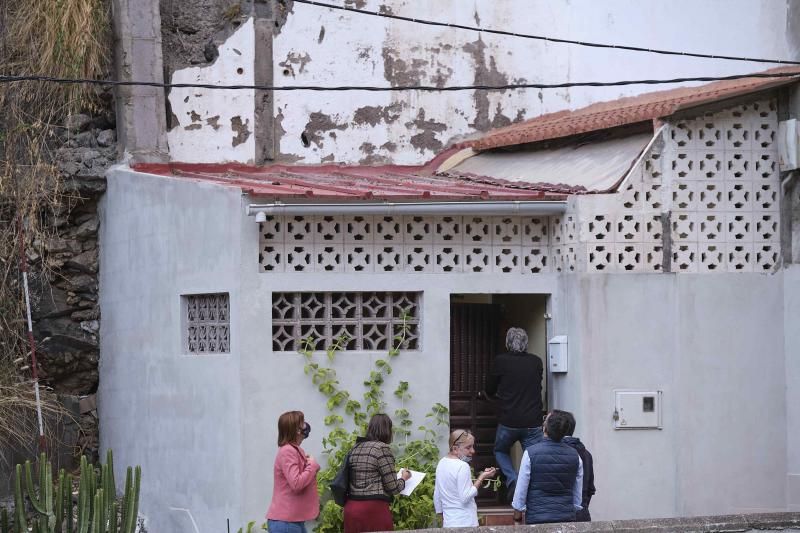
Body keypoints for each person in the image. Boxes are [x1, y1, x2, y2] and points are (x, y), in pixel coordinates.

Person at [485, 327, 544, 496]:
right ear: (526, 344)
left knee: (500, 450)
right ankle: (531, 490)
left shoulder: (501, 361)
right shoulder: (536, 361)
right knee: (533, 457)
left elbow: (489, 388)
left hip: (508, 420)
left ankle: (513, 480)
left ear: (507, 343)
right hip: (533, 421)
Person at [511, 410, 583, 525]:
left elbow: (521, 490)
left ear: (545, 428)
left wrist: (517, 518)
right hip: (566, 518)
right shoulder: (576, 456)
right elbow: (577, 496)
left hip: (537, 518)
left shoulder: (530, 453)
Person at [343, 413, 411, 533]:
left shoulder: (355, 448)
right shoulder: (382, 448)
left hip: (351, 509)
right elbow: (392, 488)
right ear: (387, 430)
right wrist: (403, 478)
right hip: (373, 510)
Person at [266, 411, 320, 533]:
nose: (305, 426)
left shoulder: (292, 450)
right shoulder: (288, 451)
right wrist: (312, 465)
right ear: (296, 430)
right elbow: (296, 484)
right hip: (286, 523)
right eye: (302, 423)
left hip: (292, 521)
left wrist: (309, 465)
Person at [433, 429, 497, 527]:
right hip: (465, 522)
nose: (473, 451)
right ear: (455, 449)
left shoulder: (441, 463)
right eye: (468, 447)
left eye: (472, 446)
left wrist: (442, 519)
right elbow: (465, 497)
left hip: (449, 523)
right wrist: (482, 477)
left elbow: (437, 495)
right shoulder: (462, 466)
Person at [562, 411, 596, 522]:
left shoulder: (553, 453)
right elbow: (590, 489)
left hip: (558, 515)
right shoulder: (586, 454)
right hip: (582, 514)